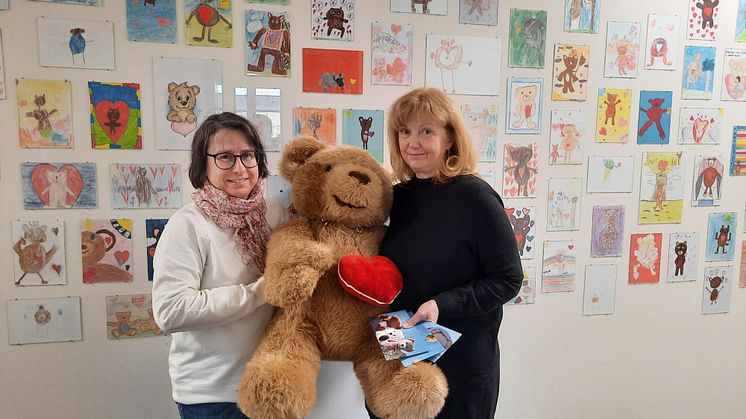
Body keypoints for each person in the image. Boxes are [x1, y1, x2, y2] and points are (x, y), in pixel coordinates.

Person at [373, 88, 523, 418]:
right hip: (401, 351)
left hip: (460, 366)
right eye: (404, 131)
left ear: (450, 138)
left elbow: (508, 279)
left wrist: (443, 304)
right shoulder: (394, 198)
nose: (413, 142)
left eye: (426, 131)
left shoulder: (475, 197)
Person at [152, 112, 273, 419]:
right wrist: (262, 291)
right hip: (214, 396)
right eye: (225, 157)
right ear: (202, 163)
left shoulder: (274, 216)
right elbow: (171, 311)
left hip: (270, 388)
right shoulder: (188, 224)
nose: (240, 168)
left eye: (247, 155)